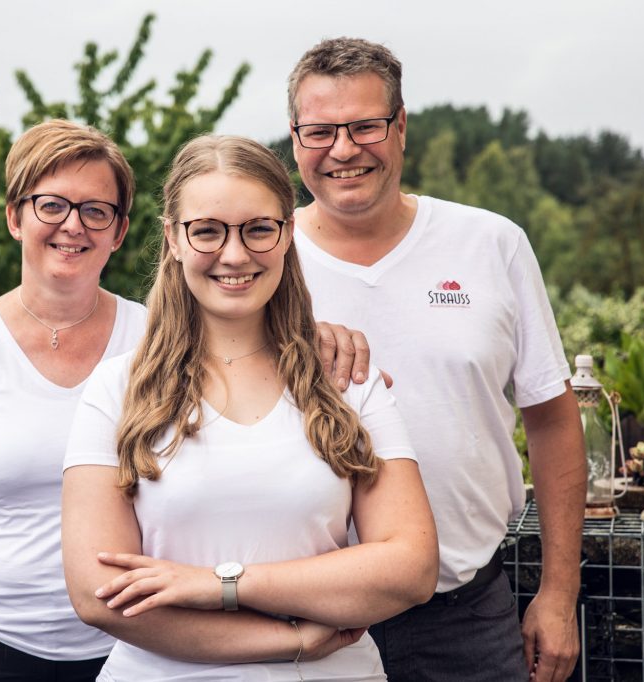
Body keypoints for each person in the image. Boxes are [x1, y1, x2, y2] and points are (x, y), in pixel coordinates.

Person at [0, 120, 374, 682]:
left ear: (120, 230)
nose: (73, 226)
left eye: (96, 211)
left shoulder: (158, 343)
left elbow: (251, 346)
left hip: (139, 643)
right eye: (51, 205)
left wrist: (315, 337)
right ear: (15, 217)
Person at [61, 134, 438, 681]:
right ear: (173, 238)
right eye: (207, 230)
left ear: (287, 234)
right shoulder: (116, 391)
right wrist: (291, 641)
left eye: (259, 229)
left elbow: (410, 568)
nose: (234, 255)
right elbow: (99, 596)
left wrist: (219, 584)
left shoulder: (346, 382)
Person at [285, 38, 587, 682]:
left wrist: (559, 594)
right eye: (320, 131)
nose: (343, 149)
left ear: (400, 129)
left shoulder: (492, 244)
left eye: (365, 125)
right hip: (302, 617)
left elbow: (555, 421)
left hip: (465, 614)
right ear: (294, 138)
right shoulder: (259, 260)